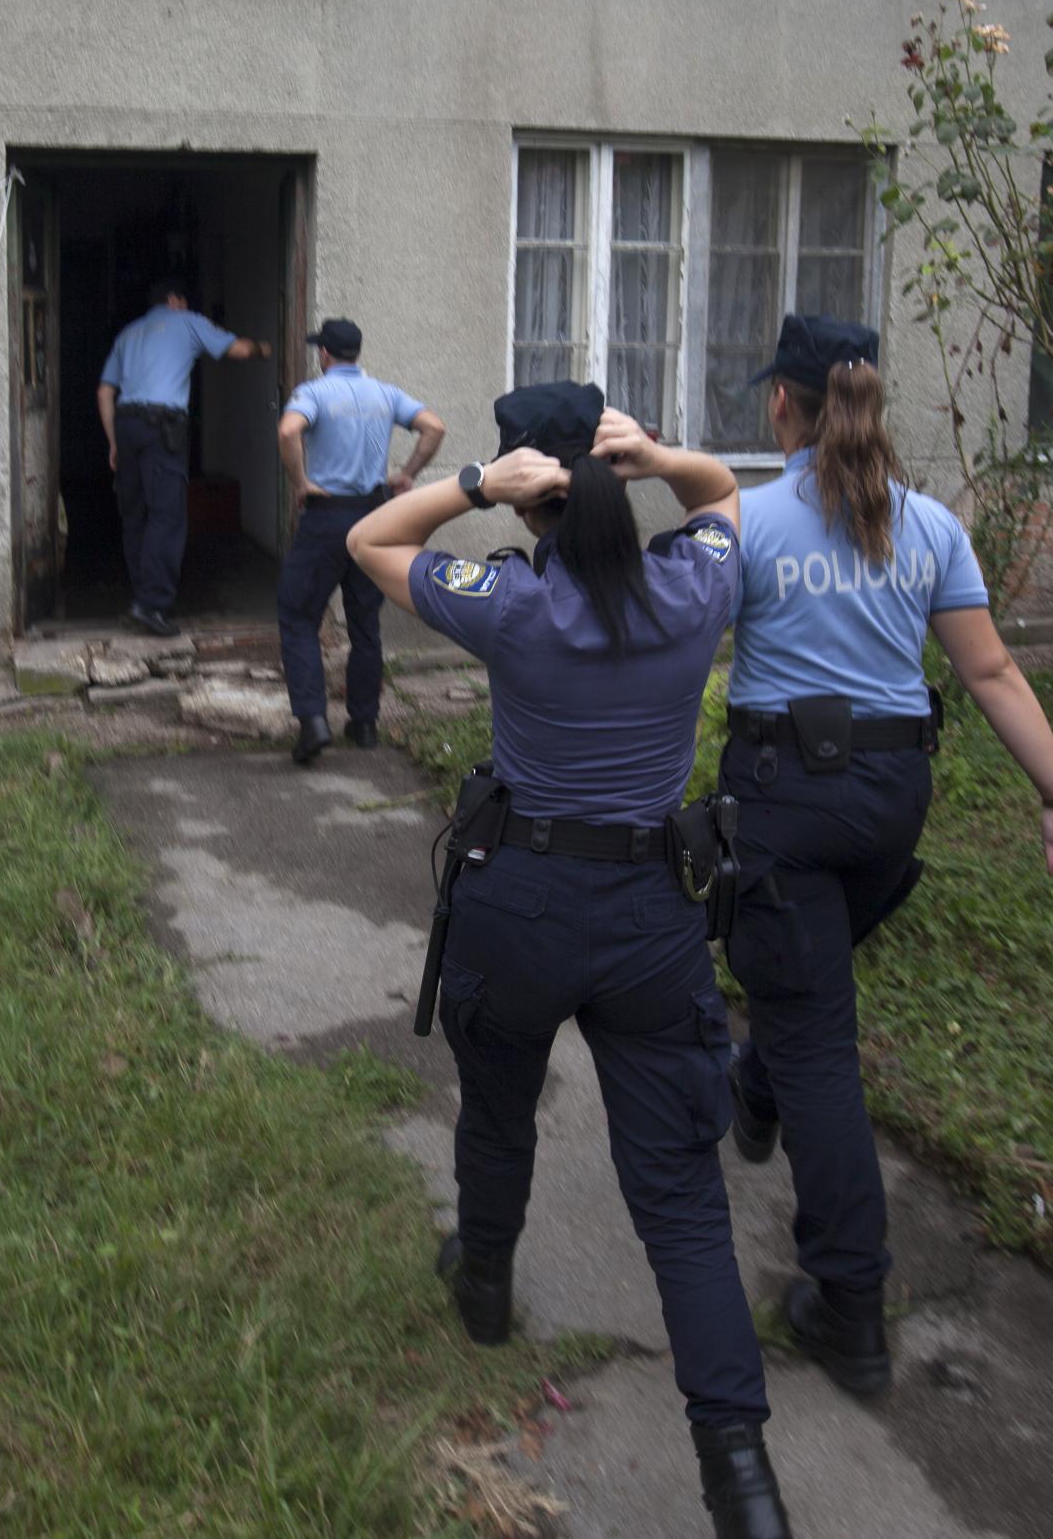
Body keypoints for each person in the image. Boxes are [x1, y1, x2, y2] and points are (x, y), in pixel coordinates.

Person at [349, 384, 793, 1539]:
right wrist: (653, 460)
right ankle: (741, 1481)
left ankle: (485, 1286)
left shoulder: (505, 600)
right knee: (683, 1200)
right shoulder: (694, 586)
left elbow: (367, 539)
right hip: (652, 914)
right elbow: (725, 493)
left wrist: (465, 490)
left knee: (497, 1112)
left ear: (524, 490)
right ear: (609, 470)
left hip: (521, 903)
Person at [676, 312, 1053, 1402]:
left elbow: (675, 645)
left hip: (782, 798)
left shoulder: (747, 519)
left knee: (816, 1033)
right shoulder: (928, 527)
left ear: (782, 402)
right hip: (890, 802)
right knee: (805, 982)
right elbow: (991, 672)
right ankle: (757, 1083)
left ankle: (849, 1306)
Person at [276, 317, 447, 764]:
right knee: (365, 623)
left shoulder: (312, 393)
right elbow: (435, 427)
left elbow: (289, 430)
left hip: (326, 517)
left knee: (298, 617)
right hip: (375, 518)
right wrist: (407, 474)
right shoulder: (386, 394)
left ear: (325, 355)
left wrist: (301, 483)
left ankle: (313, 721)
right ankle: (365, 723)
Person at [95, 279, 271, 637]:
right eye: (185, 299)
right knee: (167, 515)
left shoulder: (128, 333)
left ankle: (141, 598)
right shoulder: (188, 320)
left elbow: (104, 391)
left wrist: (114, 442)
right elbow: (237, 350)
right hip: (162, 427)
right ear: (175, 300)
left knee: (135, 516)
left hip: (126, 424)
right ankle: (152, 605)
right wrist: (265, 348)